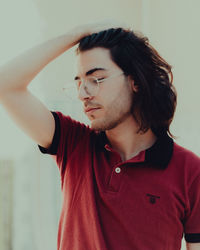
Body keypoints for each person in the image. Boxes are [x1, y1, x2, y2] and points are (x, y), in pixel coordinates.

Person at [0, 22, 200, 250]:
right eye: (79, 82)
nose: (83, 94)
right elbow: (6, 85)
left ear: (135, 80)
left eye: (96, 79)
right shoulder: (73, 144)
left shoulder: (189, 171)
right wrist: (74, 34)